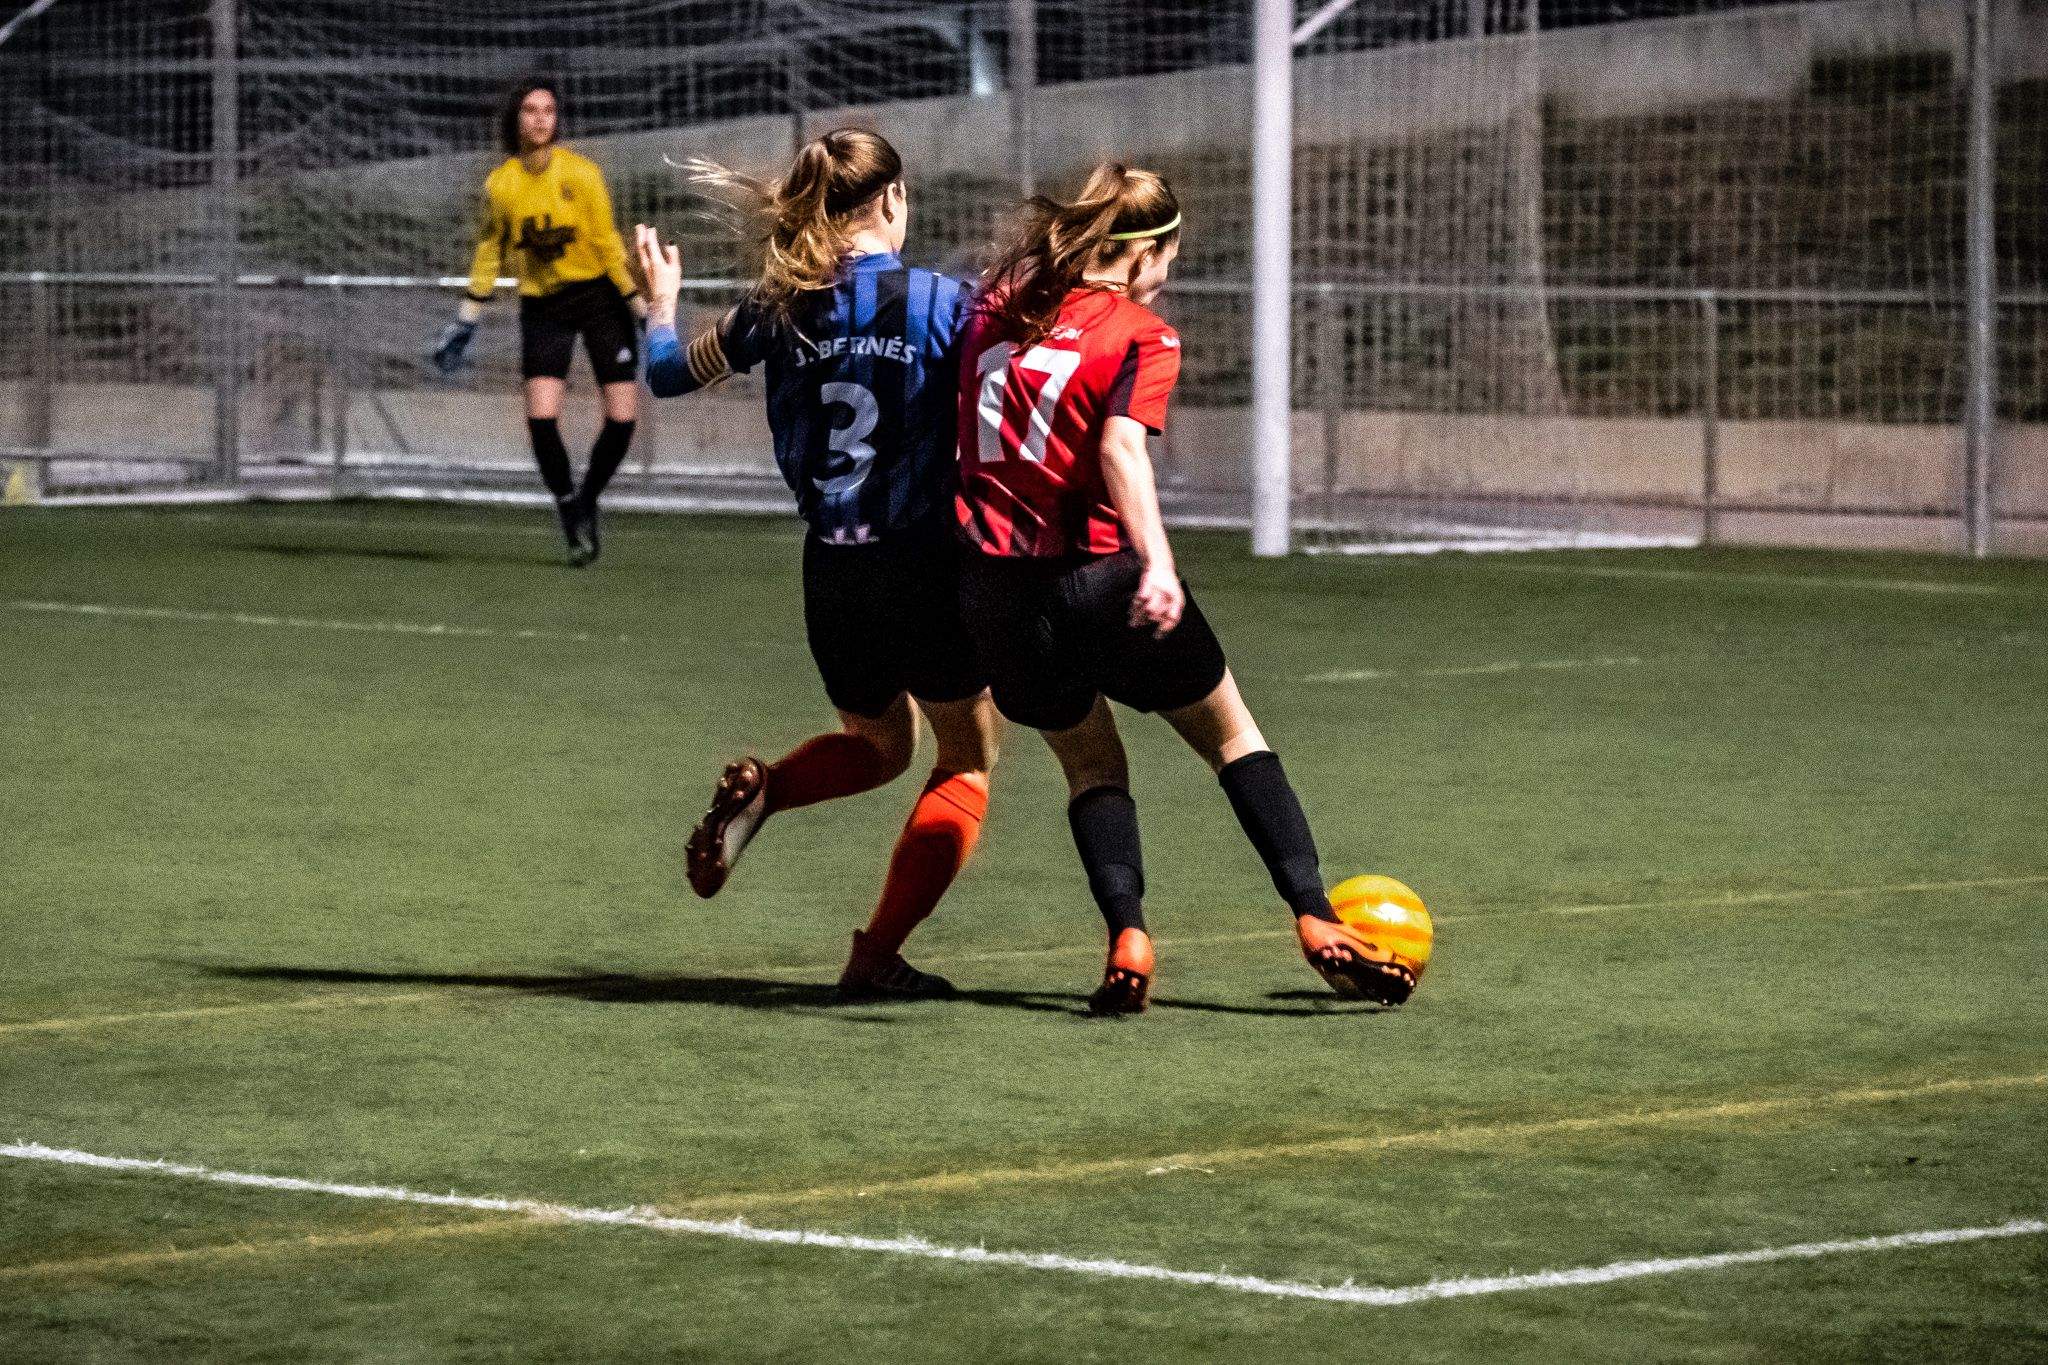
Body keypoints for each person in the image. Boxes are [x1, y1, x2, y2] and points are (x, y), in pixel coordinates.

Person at [954, 164, 1407, 1015]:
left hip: (998, 594)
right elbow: (1120, 449)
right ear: (1143, 252)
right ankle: (1316, 917)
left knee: (1091, 765)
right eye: (1170, 253)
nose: (1170, 270)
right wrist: (1158, 563)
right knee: (1233, 736)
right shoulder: (1140, 334)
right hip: (1104, 578)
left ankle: (1128, 935)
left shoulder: (993, 312)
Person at [634, 128, 1000, 999]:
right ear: (894, 199)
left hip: (831, 570)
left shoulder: (777, 307)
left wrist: (661, 303)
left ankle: (766, 790)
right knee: (966, 757)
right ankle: (877, 954)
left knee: (881, 745)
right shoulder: (948, 304)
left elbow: (666, 373)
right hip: (921, 563)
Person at [432, 78, 645, 567]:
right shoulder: (501, 184)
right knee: (542, 416)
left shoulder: (583, 174)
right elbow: (490, 249)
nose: (541, 118)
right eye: (530, 109)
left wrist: (639, 307)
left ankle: (589, 497)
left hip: (599, 297)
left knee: (622, 416)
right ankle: (568, 505)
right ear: (516, 119)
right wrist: (467, 318)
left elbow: (607, 242)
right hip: (544, 306)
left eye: (549, 109)